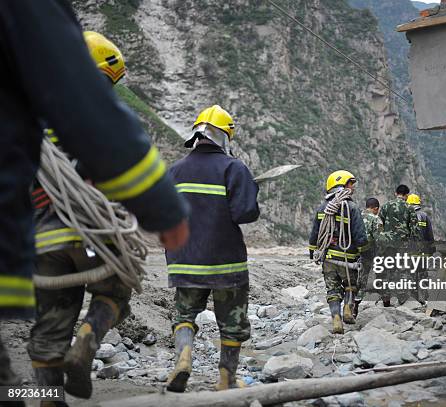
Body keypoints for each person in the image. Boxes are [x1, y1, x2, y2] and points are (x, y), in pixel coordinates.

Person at [0, 2, 189, 402]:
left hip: (42, 239)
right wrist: (162, 211)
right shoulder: (100, 118)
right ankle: (87, 338)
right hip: (98, 235)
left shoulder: (25, 123)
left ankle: (49, 397)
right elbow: (124, 169)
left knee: (51, 324)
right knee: (116, 290)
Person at [165, 105, 260, 392]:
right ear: (225, 137)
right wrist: (251, 191)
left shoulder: (174, 170)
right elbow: (245, 213)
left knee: (184, 315)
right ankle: (226, 378)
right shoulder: (234, 168)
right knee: (232, 322)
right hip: (225, 263)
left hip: (184, 260)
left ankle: (184, 356)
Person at [309, 170, 368, 334]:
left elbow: (314, 234)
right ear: (341, 185)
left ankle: (336, 318)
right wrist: (365, 254)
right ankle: (348, 309)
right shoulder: (352, 208)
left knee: (332, 290)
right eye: (351, 184)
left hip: (328, 259)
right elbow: (360, 237)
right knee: (351, 285)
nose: (353, 188)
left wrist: (312, 252)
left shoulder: (323, 208)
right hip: (348, 259)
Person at [378, 185, 419, 306]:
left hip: (387, 244)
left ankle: (386, 299)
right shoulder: (409, 208)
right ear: (407, 195)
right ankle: (402, 298)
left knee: (386, 270)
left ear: (395, 193)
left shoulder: (385, 206)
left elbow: (379, 225)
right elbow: (414, 229)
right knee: (402, 270)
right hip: (403, 245)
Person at [354, 197, 383, 317]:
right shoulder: (375, 219)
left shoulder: (356, 216)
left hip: (354, 253)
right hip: (370, 253)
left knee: (357, 280)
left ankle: (352, 306)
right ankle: (385, 301)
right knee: (376, 276)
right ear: (375, 208)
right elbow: (379, 240)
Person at [407, 193, 435, 304]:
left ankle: (412, 297)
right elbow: (430, 235)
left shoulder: (406, 216)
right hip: (423, 252)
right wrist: (431, 250)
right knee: (422, 273)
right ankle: (423, 296)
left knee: (411, 273)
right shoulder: (424, 216)